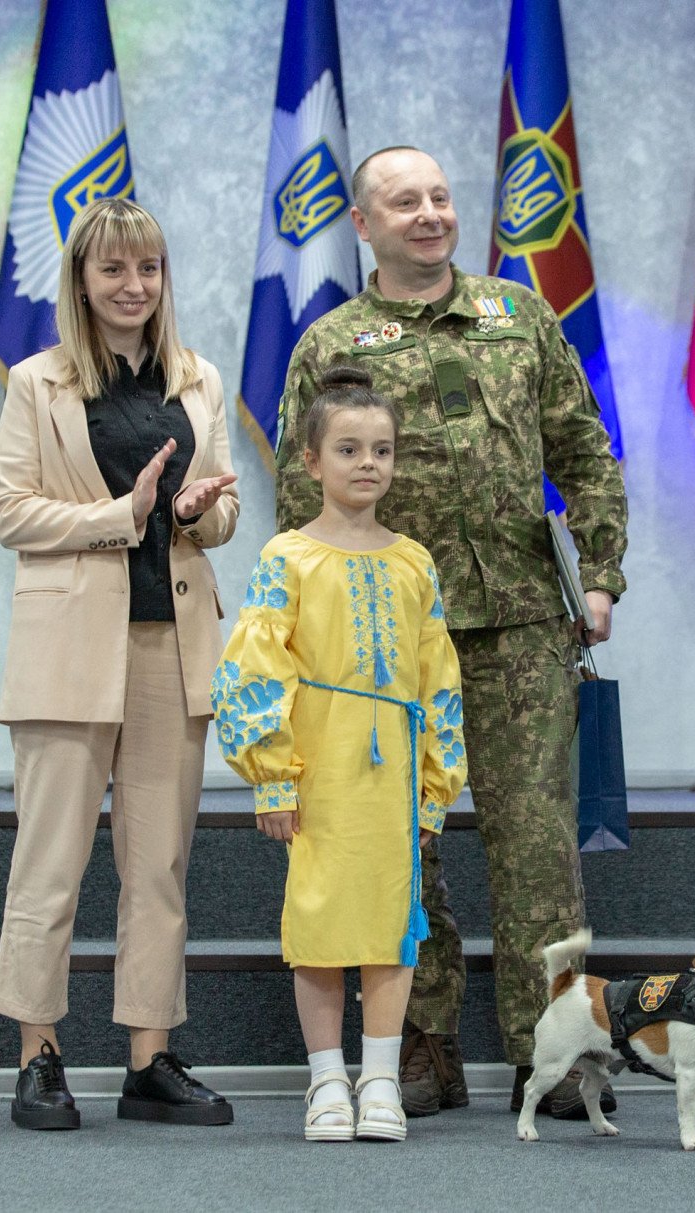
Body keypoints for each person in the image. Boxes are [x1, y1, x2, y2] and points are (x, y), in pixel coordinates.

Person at [273, 147, 628, 1119]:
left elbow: (585, 450)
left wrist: (596, 577)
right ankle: (418, 1046)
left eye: (439, 195)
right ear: (362, 222)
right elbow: (298, 499)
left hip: (518, 623)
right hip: (383, 646)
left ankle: (550, 1048)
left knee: (537, 849)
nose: (428, 213)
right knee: (399, 845)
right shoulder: (332, 342)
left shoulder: (518, 318)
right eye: (403, 201)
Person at [0, 196, 240, 1131]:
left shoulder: (199, 378)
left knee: (159, 864)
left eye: (150, 269)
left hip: (170, 646)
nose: (134, 286)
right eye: (114, 270)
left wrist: (188, 513)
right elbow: (9, 509)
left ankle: (148, 1056)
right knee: (48, 862)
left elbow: (219, 514)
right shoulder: (38, 382)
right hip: (66, 649)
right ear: (82, 282)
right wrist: (118, 516)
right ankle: (39, 1053)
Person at [215, 365, 467, 1143]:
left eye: (383, 449)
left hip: (392, 770)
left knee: (394, 921)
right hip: (318, 769)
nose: (368, 463)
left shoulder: (414, 562)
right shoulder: (286, 557)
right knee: (321, 923)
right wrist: (272, 777)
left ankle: (382, 1079)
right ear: (311, 461)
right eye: (350, 448)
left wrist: (433, 790)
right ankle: (327, 1080)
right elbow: (255, 666)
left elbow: (439, 677)